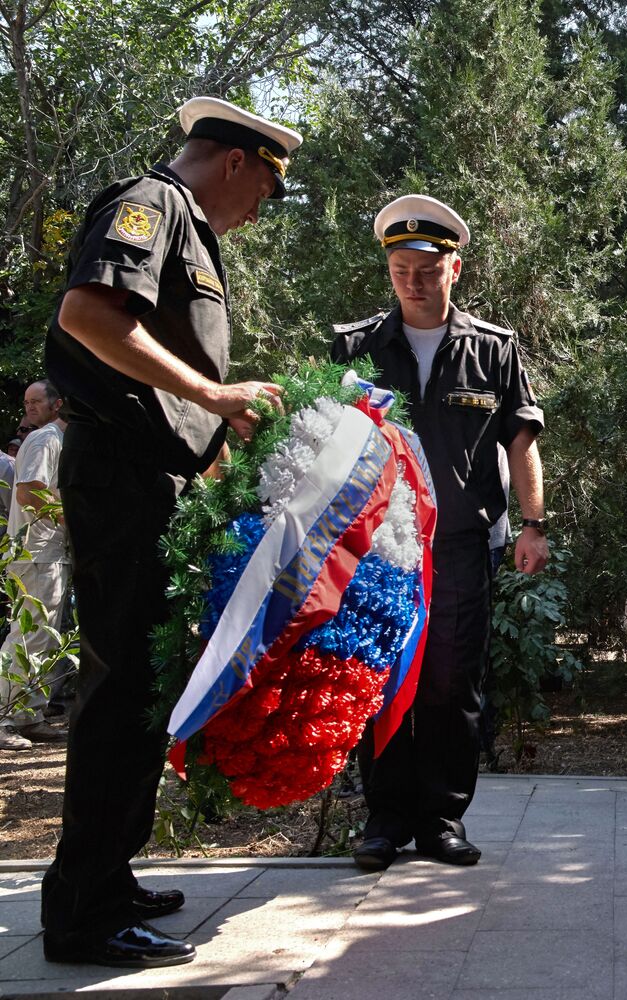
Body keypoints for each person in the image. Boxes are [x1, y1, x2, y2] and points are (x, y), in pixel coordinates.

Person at [40, 96, 302, 969]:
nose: (262, 207)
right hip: (117, 475)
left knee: (144, 688)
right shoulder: (146, 207)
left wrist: (215, 447)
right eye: (266, 185)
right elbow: (87, 316)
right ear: (235, 161)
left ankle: (107, 879)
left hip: (154, 481)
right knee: (118, 690)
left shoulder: (190, 226)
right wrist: (212, 394)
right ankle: (81, 913)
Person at [332, 194, 547, 871]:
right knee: (380, 679)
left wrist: (534, 524)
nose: (414, 281)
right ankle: (384, 820)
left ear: (454, 267)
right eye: (401, 269)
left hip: (459, 546)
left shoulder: (493, 349)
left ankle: (442, 819)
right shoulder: (354, 347)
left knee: (452, 687)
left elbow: (521, 444)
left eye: (427, 269)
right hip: (378, 551)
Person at [0, 380, 71, 751]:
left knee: (43, 638)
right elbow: (29, 492)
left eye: (35, 401)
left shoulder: (57, 439)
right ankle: (4, 717)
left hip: (47, 552)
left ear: (58, 403)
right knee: (28, 636)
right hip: (36, 551)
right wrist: (74, 524)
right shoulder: (45, 439)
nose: (29, 407)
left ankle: (30, 716)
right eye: (26, 402)